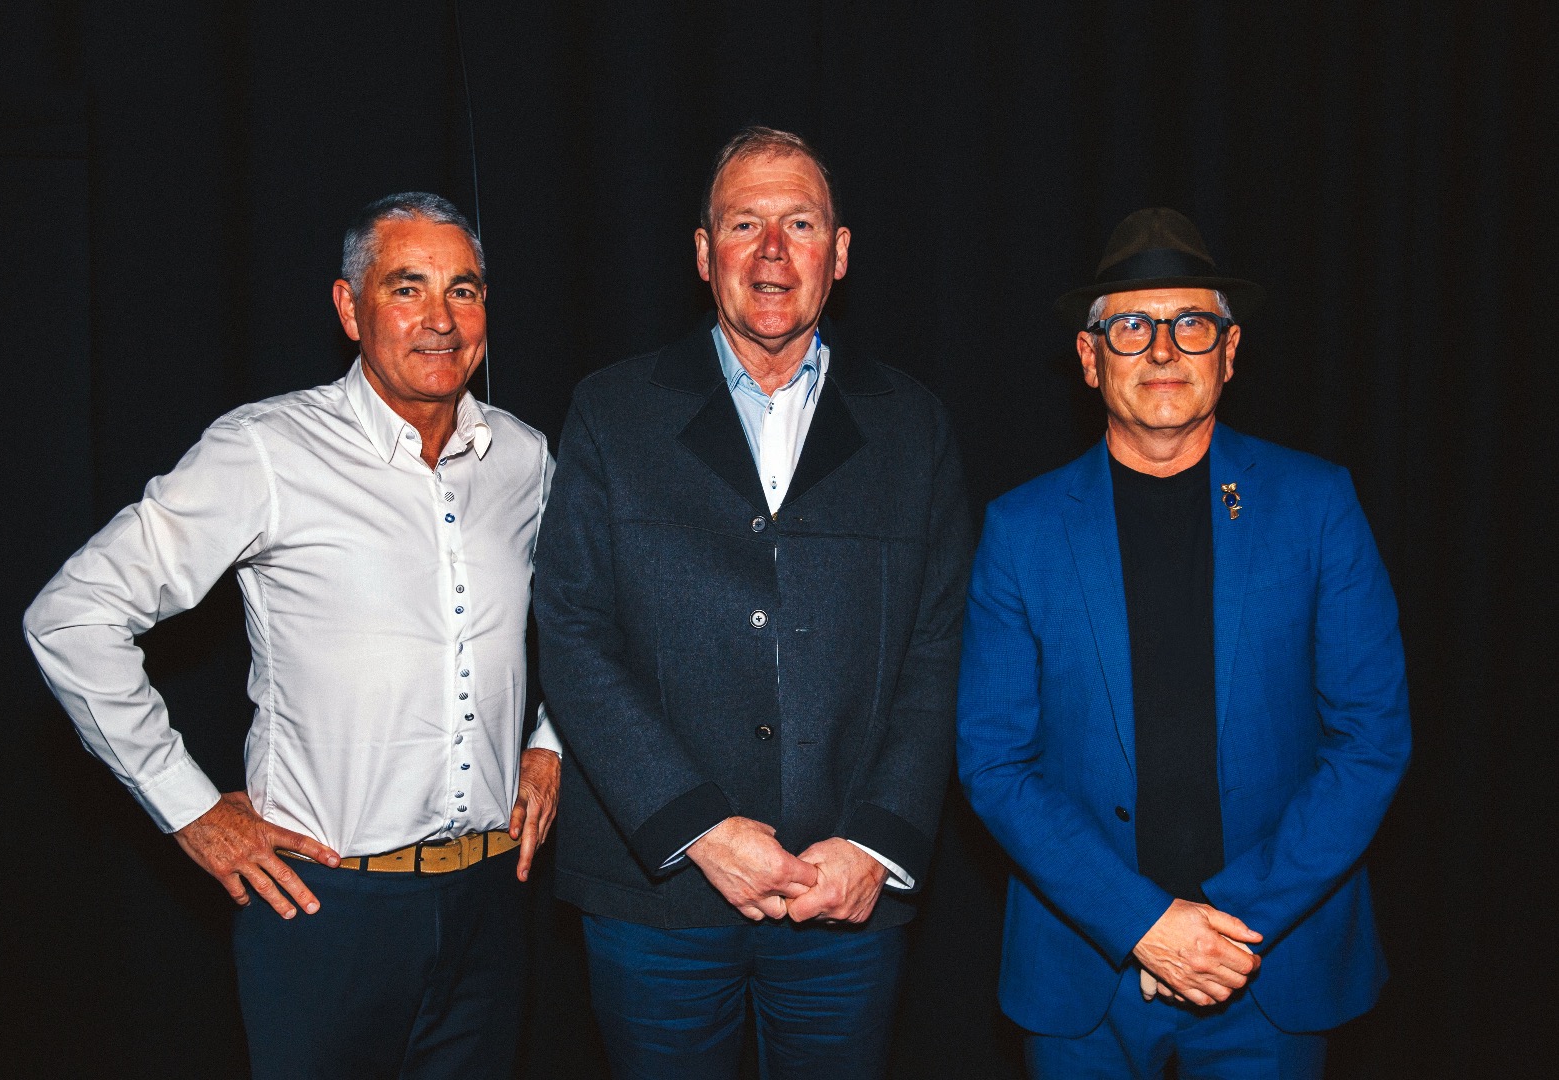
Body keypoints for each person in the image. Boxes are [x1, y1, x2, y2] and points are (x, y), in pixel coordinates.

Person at [24, 192, 560, 1080]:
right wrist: (190, 809)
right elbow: (71, 615)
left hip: (492, 903)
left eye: (463, 290)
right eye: (407, 288)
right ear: (351, 309)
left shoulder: (523, 457)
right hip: (326, 909)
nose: (440, 319)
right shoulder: (267, 451)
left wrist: (550, 745)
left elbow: (588, 618)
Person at [533, 126, 972, 1080]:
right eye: (744, 224)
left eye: (800, 223)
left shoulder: (915, 427)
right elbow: (570, 633)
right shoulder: (611, 412)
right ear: (704, 254)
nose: (772, 252)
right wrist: (698, 829)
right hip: (657, 899)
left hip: (843, 895)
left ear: (840, 253)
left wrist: (873, 844)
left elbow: (940, 650)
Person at [956, 207, 1411, 1078]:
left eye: (1191, 323)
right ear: (1090, 361)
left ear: (1229, 353)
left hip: (1270, 967)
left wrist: (1228, 925)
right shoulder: (1020, 531)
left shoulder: (1318, 507)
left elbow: (1373, 740)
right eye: (1130, 325)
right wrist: (1144, 925)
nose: (1163, 349)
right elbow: (993, 761)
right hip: (1084, 977)